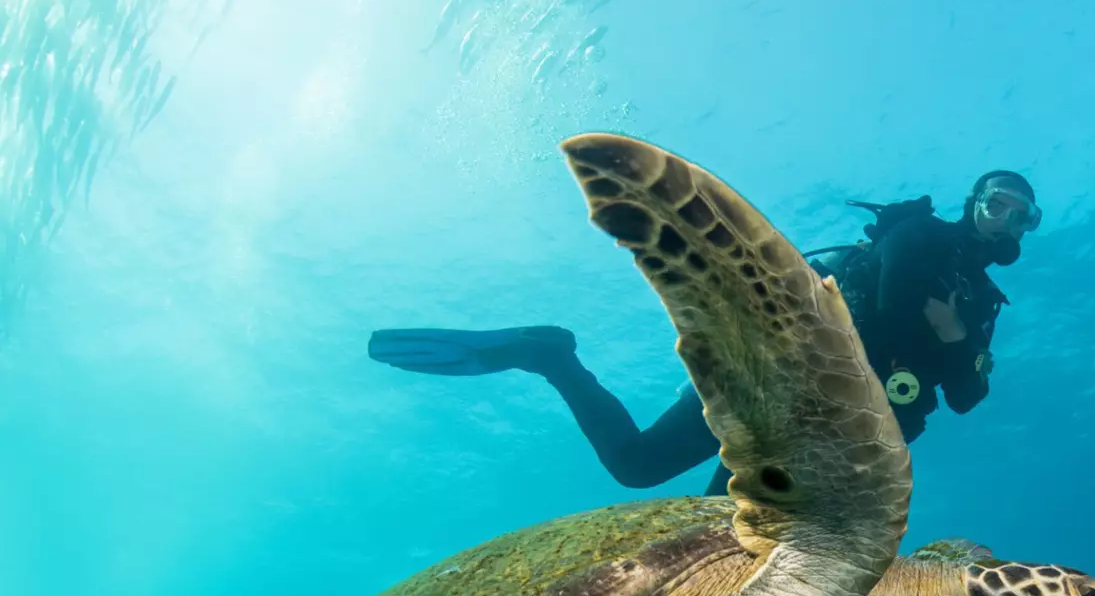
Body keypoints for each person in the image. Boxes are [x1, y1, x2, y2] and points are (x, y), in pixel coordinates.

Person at [368, 169, 1042, 495]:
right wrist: (952, 345)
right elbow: (896, 316)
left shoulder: (982, 300)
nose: (1005, 224)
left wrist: (955, 335)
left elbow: (966, 400)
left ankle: (553, 358)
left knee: (642, 473)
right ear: (971, 206)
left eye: (1021, 217)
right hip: (784, 379)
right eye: (996, 207)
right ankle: (550, 357)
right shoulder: (917, 235)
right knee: (708, 517)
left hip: (834, 424)